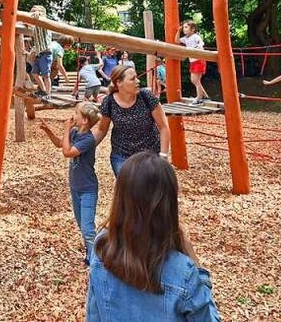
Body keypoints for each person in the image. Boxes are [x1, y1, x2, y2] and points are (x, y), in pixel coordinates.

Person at [86, 152, 220, 322]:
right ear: (169, 205)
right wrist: (199, 271)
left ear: (120, 199)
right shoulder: (183, 272)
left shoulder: (102, 249)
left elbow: (93, 315)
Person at [38, 102, 102, 265]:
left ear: (85, 120)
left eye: (76, 113)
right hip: (75, 187)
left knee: (87, 229)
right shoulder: (75, 132)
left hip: (88, 189)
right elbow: (61, 143)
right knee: (82, 224)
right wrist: (48, 131)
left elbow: (67, 152)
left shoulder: (88, 139)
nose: (73, 115)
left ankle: (95, 260)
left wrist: (66, 129)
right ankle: (91, 251)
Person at [94, 65, 170, 176]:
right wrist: (84, 147)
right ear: (119, 83)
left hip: (150, 155)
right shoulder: (109, 102)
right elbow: (101, 130)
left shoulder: (146, 97)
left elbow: (163, 126)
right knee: (128, 192)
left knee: (150, 190)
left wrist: (163, 156)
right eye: (132, 79)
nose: (138, 81)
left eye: (137, 77)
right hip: (122, 157)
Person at [176, 21, 210, 103]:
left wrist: (198, 48)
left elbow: (200, 43)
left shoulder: (195, 36)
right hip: (192, 61)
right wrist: (178, 31)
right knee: (195, 80)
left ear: (193, 29)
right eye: (183, 27)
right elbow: (177, 41)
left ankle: (199, 98)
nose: (184, 29)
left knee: (195, 80)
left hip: (198, 60)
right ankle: (205, 96)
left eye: (186, 27)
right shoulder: (185, 38)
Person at [29, 6, 53, 97]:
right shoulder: (34, 27)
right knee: (34, 73)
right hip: (39, 54)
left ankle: (48, 94)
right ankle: (43, 90)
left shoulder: (45, 23)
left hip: (46, 53)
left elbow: (42, 16)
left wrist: (39, 14)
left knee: (46, 75)